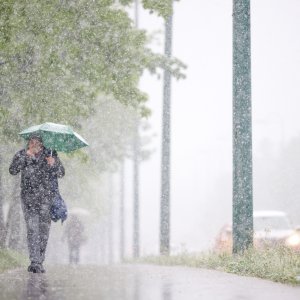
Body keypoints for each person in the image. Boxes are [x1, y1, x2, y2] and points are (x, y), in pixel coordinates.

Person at [9, 134, 65, 273]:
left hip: (46, 199)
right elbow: (12, 170)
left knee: (44, 231)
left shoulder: (50, 154)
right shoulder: (22, 154)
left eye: (37, 142)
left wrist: (54, 164)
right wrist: (25, 156)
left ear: (41, 144)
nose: (34, 144)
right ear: (28, 143)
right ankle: (35, 262)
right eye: (31, 142)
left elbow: (61, 172)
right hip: (28, 199)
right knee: (32, 228)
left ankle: (40, 259)